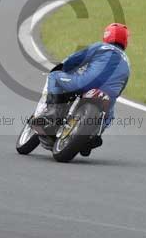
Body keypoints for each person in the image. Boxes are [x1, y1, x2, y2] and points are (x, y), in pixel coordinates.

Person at [44, 23, 130, 155]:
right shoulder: (127, 62)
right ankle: (94, 134)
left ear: (107, 35)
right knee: (110, 115)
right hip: (109, 95)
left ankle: (52, 112)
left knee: (55, 76)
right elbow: (122, 86)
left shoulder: (100, 47)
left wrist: (64, 67)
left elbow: (75, 59)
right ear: (125, 40)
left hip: (85, 83)